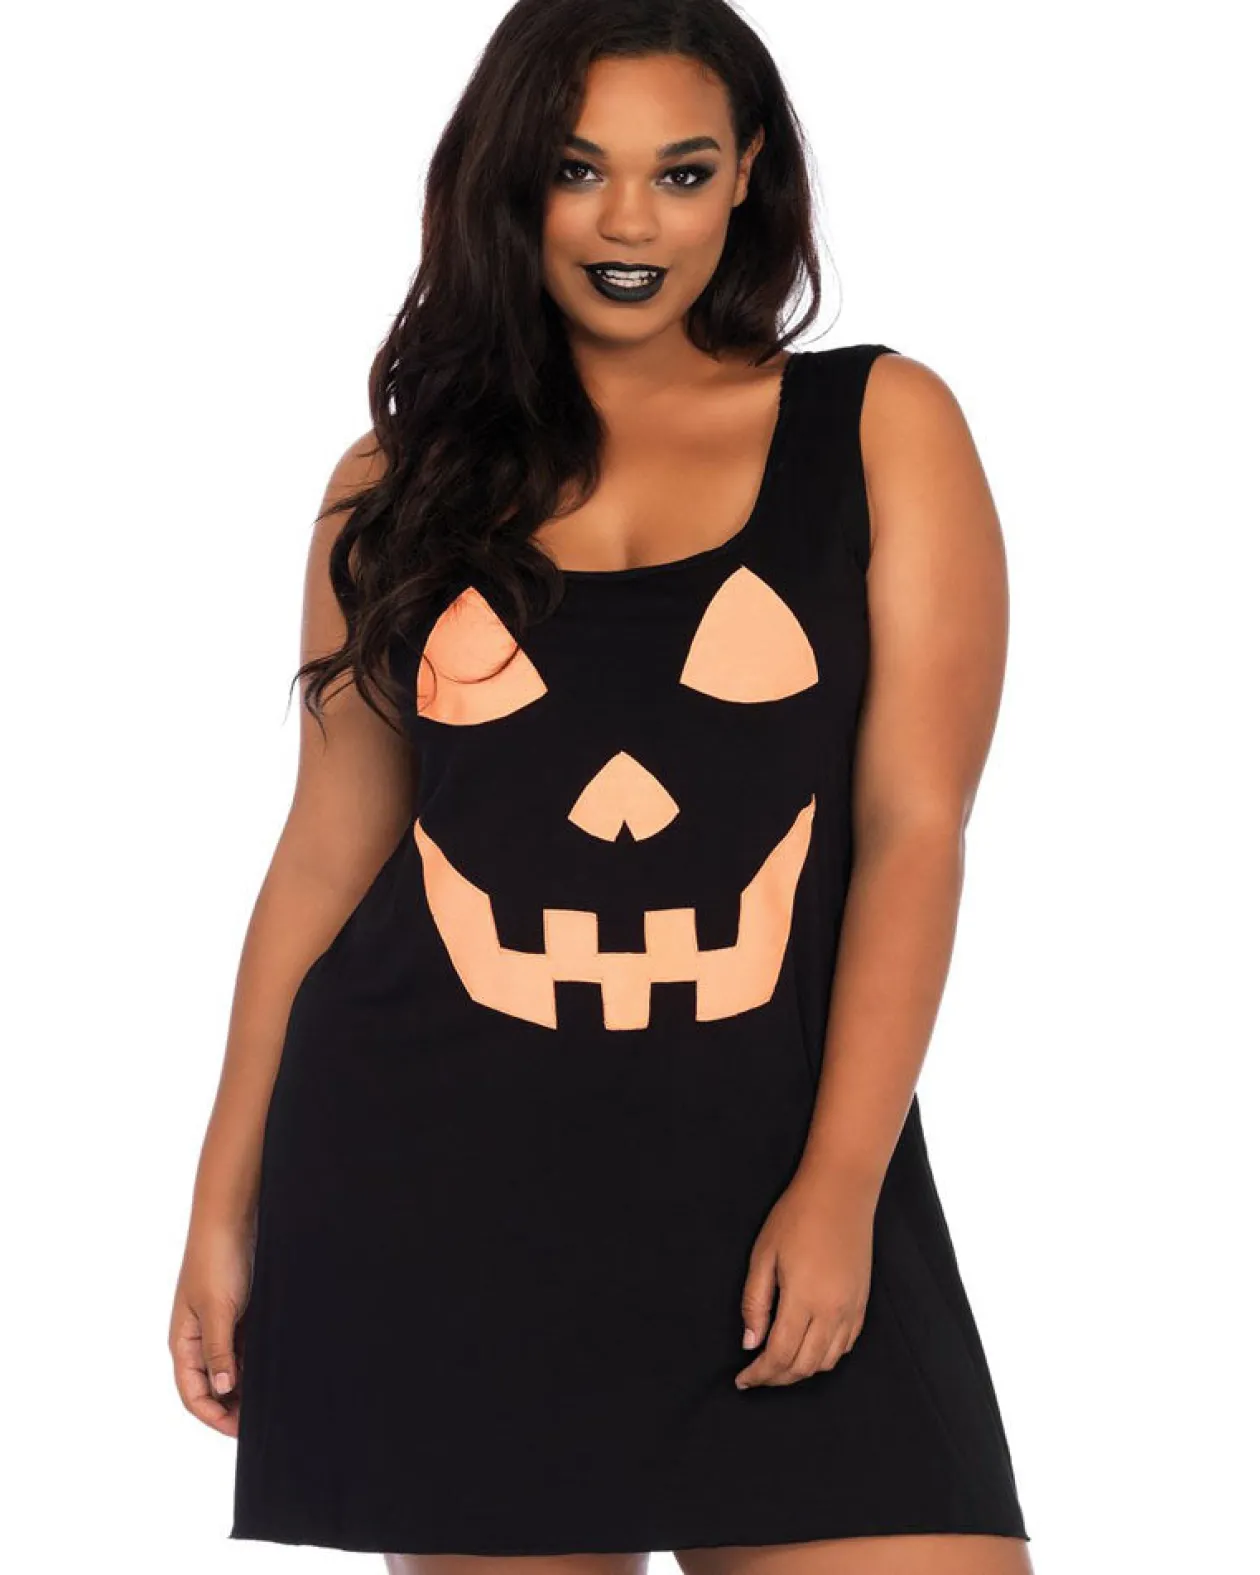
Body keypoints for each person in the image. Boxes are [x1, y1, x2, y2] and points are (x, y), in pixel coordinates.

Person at [169, 1, 1034, 1570]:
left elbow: (915, 827)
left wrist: (841, 1182)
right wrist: (221, 1207)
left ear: (749, 176)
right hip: (443, 1196)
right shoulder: (396, 483)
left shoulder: (879, 426)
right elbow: (327, 856)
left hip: (782, 1183)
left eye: (681, 172)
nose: (631, 222)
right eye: (580, 170)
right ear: (513, 180)